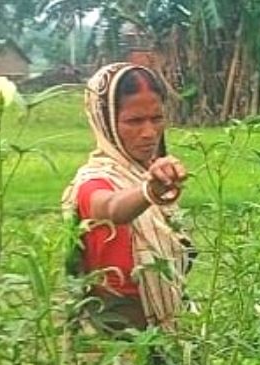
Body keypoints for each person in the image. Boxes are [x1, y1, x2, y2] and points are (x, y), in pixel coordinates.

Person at [62, 63, 193, 333]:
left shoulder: (149, 171)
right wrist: (149, 192)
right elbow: (111, 208)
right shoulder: (93, 181)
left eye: (156, 118)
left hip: (167, 328)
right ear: (105, 122)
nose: (149, 132)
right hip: (114, 332)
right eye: (134, 121)